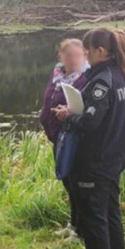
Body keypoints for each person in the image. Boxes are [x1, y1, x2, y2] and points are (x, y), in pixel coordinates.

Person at [53, 28, 125, 249]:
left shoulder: (102, 80)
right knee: (110, 211)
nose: (86, 56)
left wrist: (68, 115)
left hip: (96, 159)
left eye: (88, 51)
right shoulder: (122, 76)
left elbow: (90, 122)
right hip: (114, 157)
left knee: (94, 215)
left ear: (101, 51)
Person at [39, 38, 89, 238]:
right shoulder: (57, 76)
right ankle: (73, 224)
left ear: (85, 55)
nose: (73, 59)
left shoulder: (85, 78)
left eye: (77, 55)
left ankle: (81, 229)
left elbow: (84, 111)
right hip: (58, 139)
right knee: (68, 183)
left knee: (77, 184)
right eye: (69, 55)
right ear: (60, 56)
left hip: (73, 140)